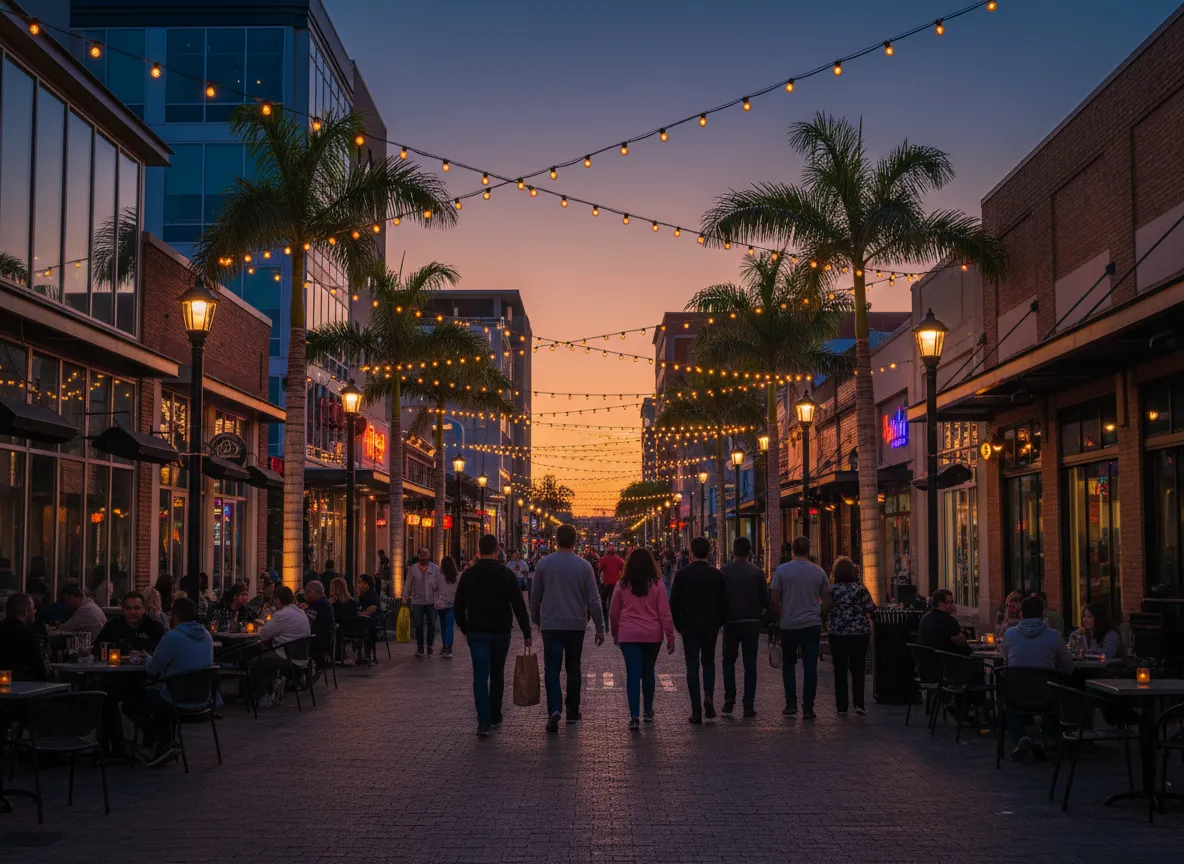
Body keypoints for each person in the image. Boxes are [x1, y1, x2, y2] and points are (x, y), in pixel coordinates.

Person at [454, 534, 532, 737]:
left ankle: (483, 721)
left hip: (477, 631)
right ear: (497, 550)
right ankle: (495, 715)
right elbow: (518, 606)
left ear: (479, 550)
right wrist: (526, 631)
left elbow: (458, 605)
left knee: (480, 676)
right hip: (500, 631)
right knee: (497, 673)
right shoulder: (506, 575)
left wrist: (464, 626)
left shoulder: (469, 575)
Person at [531, 524, 605, 732]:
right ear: (575, 541)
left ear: (556, 540)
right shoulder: (584, 566)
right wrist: (600, 626)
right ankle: (572, 710)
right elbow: (594, 599)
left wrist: (537, 619)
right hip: (575, 624)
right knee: (573, 667)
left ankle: (554, 708)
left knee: (552, 668)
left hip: (551, 623)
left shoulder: (544, 564)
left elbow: (535, 596)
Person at [123, 597, 214, 767]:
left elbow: (153, 669)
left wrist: (146, 657)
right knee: (158, 696)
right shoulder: (207, 635)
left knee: (131, 702)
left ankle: (158, 740)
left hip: (176, 698)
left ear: (175, 616)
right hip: (202, 698)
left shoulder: (173, 637)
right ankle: (161, 744)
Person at [1001, 595, 1073, 760]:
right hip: (1047, 694)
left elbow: (1005, 659)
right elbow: (1068, 666)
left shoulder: (1010, 634)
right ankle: (1045, 737)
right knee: (1060, 693)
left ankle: (1021, 736)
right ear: (1043, 613)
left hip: (1016, 693)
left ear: (1021, 613)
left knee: (1006, 699)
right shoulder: (1054, 636)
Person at [610, 549, 675, 728]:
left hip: (628, 634)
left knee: (632, 674)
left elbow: (614, 612)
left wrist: (615, 632)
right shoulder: (657, 584)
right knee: (648, 672)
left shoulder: (622, 585)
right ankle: (647, 710)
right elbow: (665, 613)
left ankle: (634, 716)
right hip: (652, 635)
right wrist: (670, 637)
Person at [669, 536, 729, 724]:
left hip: (690, 626)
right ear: (709, 553)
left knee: (692, 666)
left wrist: (679, 625)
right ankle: (708, 696)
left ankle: (696, 709)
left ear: (691, 553)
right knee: (709, 662)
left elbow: (674, 603)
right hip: (710, 626)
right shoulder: (717, 575)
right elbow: (725, 604)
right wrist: (719, 622)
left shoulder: (682, 575)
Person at [769, 535, 831, 719]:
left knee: (788, 664)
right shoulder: (818, 571)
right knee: (810, 666)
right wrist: (819, 614)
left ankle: (791, 703)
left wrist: (781, 616)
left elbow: (774, 599)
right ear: (808, 549)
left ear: (793, 550)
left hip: (789, 624)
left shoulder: (782, 570)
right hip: (811, 624)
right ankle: (808, 707)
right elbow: (828, 599)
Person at [721, 536, 768, 718]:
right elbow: (764, 599)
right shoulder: (757, 573)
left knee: (728, 661)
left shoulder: (725, 571)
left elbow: (721, 597)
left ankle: (729, 698)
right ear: (750, 551)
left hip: (731, 622)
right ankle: (748, 703)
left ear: (733, 551)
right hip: (751, 621)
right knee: (750, 663)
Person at [826, 557, 875, 716]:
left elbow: (826, 608)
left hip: (837, 633)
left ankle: (842, 706)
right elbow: (870, 608)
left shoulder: (832, 590)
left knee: (839, 669)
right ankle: (859, 703)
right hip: (859, 633)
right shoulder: (860, 589)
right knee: (858, 668)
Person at [251, 585, 311, 708]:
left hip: (288, 658)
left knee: (256, 662)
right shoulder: (301, 612)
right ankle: (270, 689)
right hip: (303, 658)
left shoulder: (282, 614)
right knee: (264, 654)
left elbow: (263, 635)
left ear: (278, 600)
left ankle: (262, 696)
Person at [95, 591, 166, 656]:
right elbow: (96, 649)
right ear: (123, 610)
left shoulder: (155, 628)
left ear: (144, 609)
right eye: (128, 608)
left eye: (137, 608)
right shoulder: (112, 627)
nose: (132, 612)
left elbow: (164, 653)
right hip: (117, 665)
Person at [0, 593, 50, 681]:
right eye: (33, 608)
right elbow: (40, 672)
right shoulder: (27, 635)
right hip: (22, 686)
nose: (35, 611)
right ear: (27, 611)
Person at [403, 546, 440, 657]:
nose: (424, 554)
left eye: (426, 553)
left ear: (429, 555)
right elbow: (408, 583)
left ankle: (429, 645)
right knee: (418, 625)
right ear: (418, 556)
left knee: (431, 624)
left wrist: (440, 597)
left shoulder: (435, 568)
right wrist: (405, 596)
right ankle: (420, 647)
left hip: (431, 601)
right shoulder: (413, 569)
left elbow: (439, 583)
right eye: (421, 553)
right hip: (417, 601)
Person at [918, 588, 971, 656]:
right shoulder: (948, 620)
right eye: (948, 602)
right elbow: (962, 642)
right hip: (945, 660)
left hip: (927, 660)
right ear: (939, 603)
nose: (951, 606)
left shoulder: (925, 617)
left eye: (952, 602)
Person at [304, 580, 335, 678]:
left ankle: (298, 675)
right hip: (325, 642)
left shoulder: (317, 604)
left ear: (313, 592)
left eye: (307, 592)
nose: (306, 595)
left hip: (317, 643)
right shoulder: (325, 602)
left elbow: (307, 623)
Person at [436, 556, 460, 658]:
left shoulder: (439, 576)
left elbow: (434, 588)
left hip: (441, 605)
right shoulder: (458, 576)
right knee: (449, 627)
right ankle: (448, 648)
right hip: (452, 604)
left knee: (443, 626)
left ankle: (444, 646)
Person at [598, 546, 625, 623]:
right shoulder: (618, 558)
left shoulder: (603, 558)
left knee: (603, 598)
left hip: (606, 582)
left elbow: (599, 569)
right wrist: (622, 576)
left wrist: (599, 578)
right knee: (612, 598)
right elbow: (624, 566)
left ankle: (604, 612)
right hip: (615, 582)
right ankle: (611, 612)